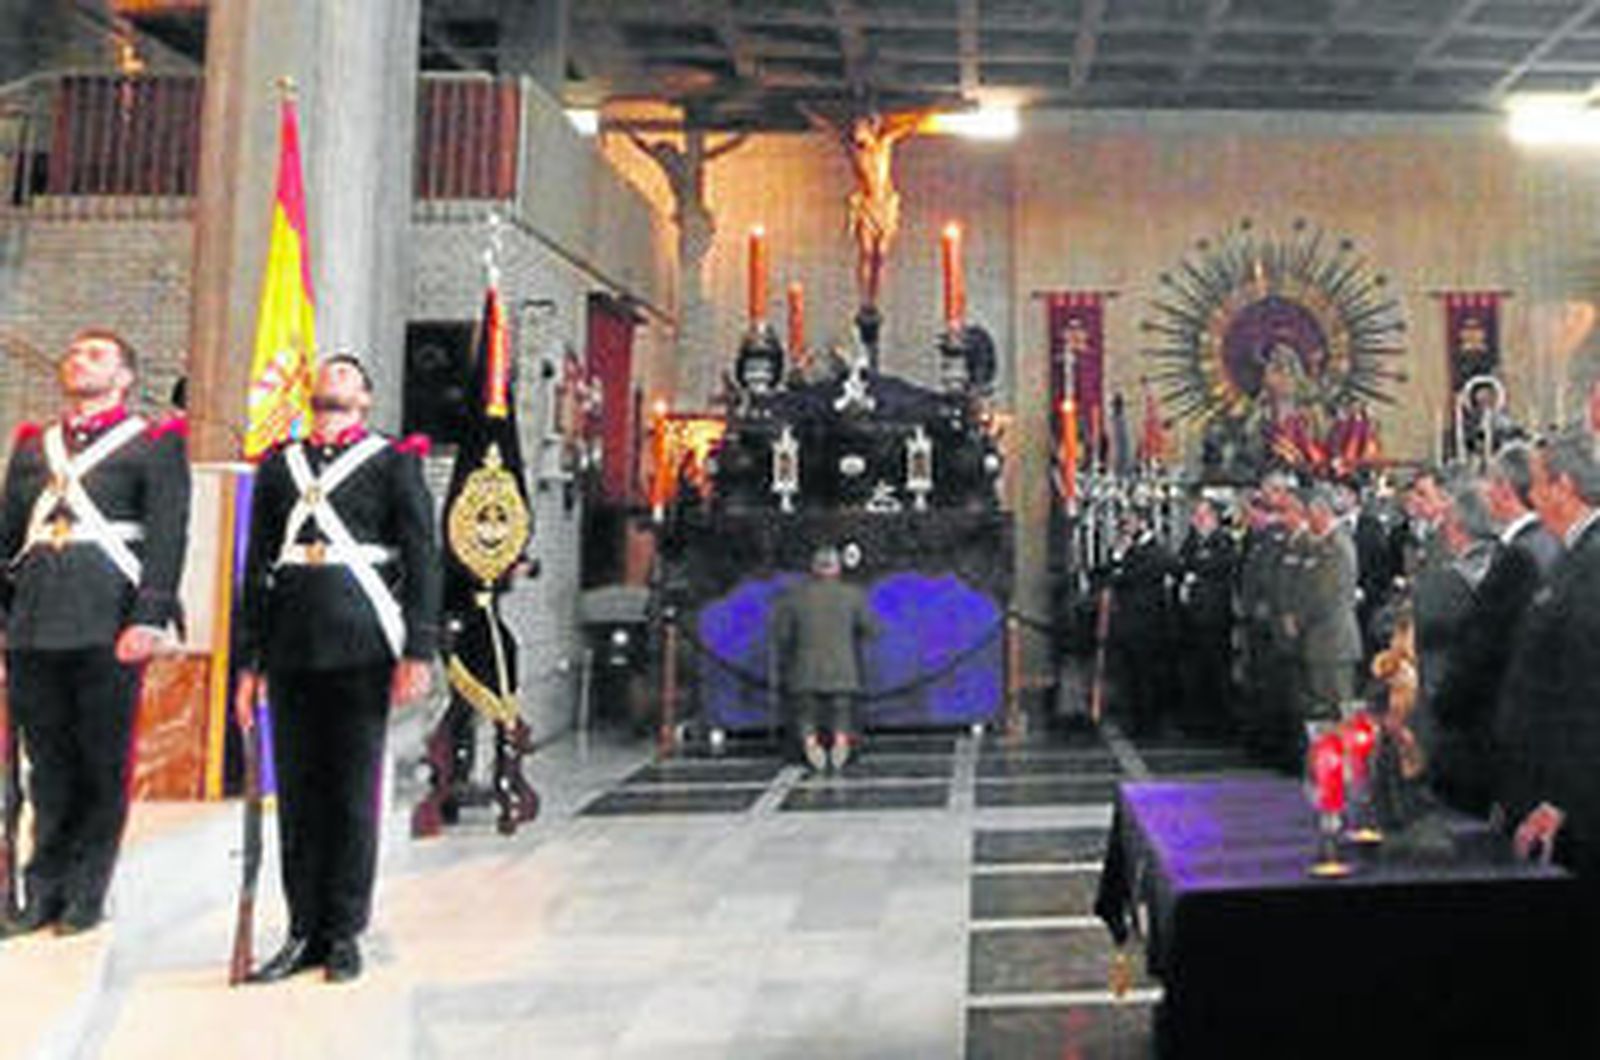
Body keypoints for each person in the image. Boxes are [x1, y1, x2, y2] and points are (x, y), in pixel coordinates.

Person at [235, 354, 440, 984]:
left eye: (350, 374)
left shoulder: (392, 461)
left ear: (367, 398)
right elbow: (258, 565)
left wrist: (418, 649)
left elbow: (422, 557)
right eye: (329, 372)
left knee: (351, 793)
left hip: (360, 641)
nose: (336, 378)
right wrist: (250, 659)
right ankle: (304, 930)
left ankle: (346, 929)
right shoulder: (280, 465)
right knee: (298, 796)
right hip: (292, 641)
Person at [0, 328, 190, 935]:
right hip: (35, 621)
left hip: (107, 620)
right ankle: (43, 889)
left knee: (100, 763)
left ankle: (86, 891)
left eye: (96, 354)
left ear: (125, 378)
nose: (79, 360)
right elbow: (8, 537)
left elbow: (167, 535)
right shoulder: (34, 446)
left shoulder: (153, 444)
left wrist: (148, 617)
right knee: (46, 765)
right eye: (75, 352)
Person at [771, 545, 878, 771]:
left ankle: (811, 744)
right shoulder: (853, 595)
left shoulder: (794, 596)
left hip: (804, 669)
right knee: (841, 710)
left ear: (814, 568)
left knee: (806, 712)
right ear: (837, 568)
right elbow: (870, 629)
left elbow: (782, 635)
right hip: (843, 669)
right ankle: (840, 742)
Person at [1175, 497, 1236, 736]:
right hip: (1191, 616)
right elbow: (1180, 564)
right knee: (1193, 671)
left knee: (1216, 670)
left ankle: (1221, 722)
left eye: (1203, 516)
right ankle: (1195, 721)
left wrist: (1195, 569)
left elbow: (1217, 566)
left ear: (1214, 518)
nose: (1198, 521)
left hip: (1213, 617)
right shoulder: (1191, 542)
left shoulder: (1223, 541)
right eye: (1196, 516)